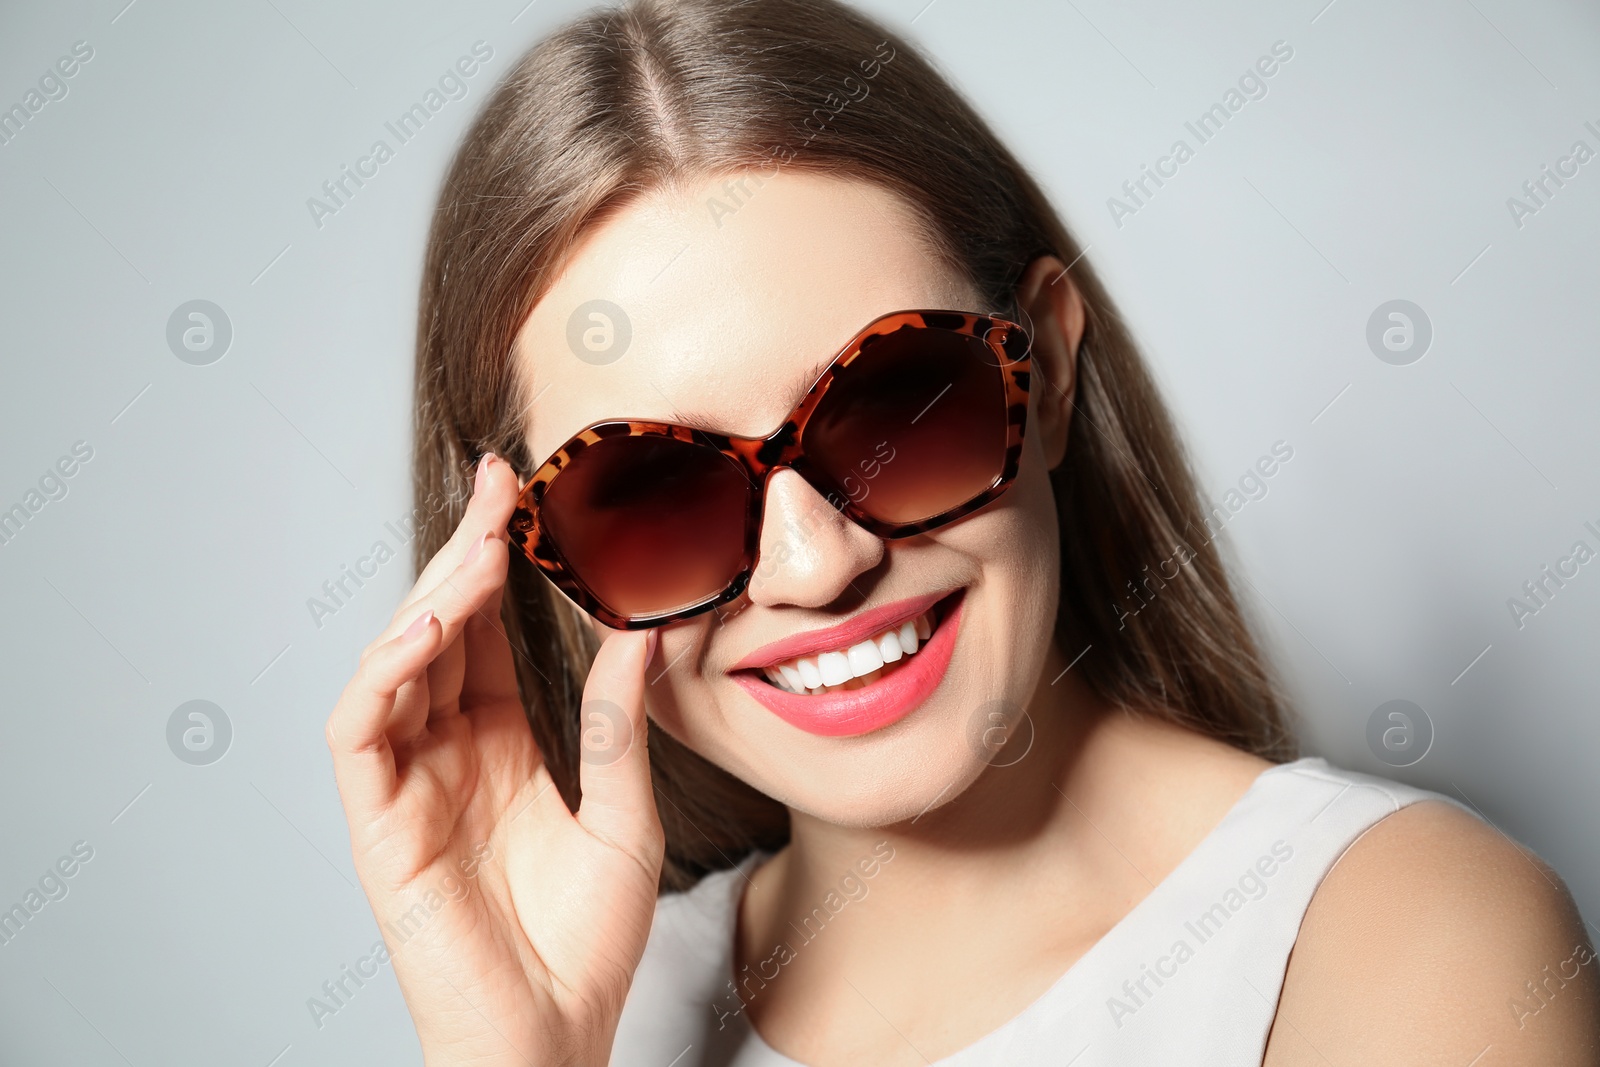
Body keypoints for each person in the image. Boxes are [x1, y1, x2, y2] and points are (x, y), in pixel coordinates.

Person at [324, 0, 1599, 1063]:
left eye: (896, 404)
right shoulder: (603, 1016)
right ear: (534, 563)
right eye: (652, 494)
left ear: (1041, 364)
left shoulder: (1407, 936)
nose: (818, 565)